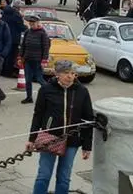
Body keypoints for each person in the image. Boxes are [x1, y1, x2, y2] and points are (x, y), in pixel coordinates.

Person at [27, 60, 94, 194]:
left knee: (64, 177)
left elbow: (88, 119)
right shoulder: (46, 89)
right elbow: (38, 115)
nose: (70, 76)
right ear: (57, 74)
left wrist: (87, 145)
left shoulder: (82, 91)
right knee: (44, 175)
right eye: (66, 73)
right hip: (50, 138)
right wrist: (31, 138)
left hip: (72, 140)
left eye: (73, 73)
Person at [19, 15, 50, 104]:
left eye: (33, 23)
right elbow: (23, 46)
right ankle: (29, 97)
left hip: (37, 60)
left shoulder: (42, 33)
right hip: (27, 59)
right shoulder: (27, 32)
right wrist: (20, 57)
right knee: (28, 80)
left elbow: (46, 47)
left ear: (37, 23)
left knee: (39, 79)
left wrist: (44, 60)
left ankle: (49, 95)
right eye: (30, 23)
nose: (32, 24)